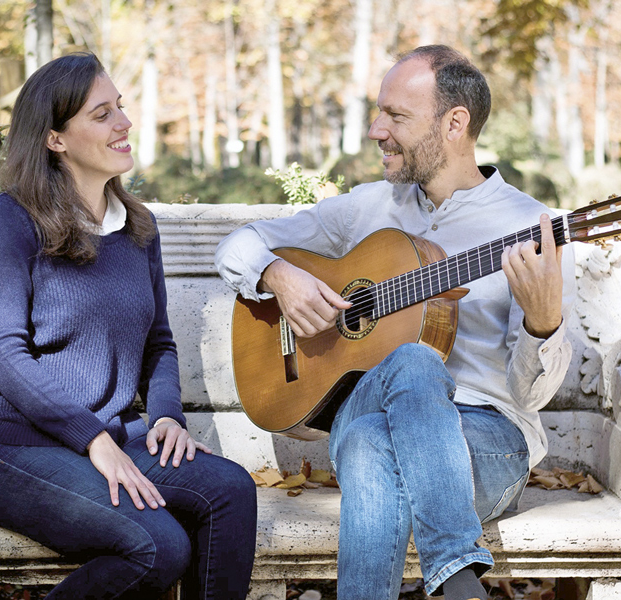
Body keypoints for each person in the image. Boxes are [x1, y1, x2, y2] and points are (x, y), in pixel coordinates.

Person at [215, 45, 575, 600]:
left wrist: (543, 324)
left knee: (368, 443)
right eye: (378, 111)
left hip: (484, 437)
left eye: (396, 116)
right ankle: (457, 577)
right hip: (370, 401)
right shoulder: (369, 208)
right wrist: (277, 277)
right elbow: (240, 245)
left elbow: (530, 397)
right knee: (409, 361)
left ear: (455, 123)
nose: (375, 129)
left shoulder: (530, 227)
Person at [0, 52, 257, 600]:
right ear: (55, 139)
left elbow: (158, 341)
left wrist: (165, 416)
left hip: (103, 435)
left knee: (230, 489)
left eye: (121, 107)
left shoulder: (138, 226)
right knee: (159, 545)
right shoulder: (11, 219)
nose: (124, 123)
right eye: (102, 114)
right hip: (6, 447)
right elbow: (2, 354)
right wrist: (92, 437)